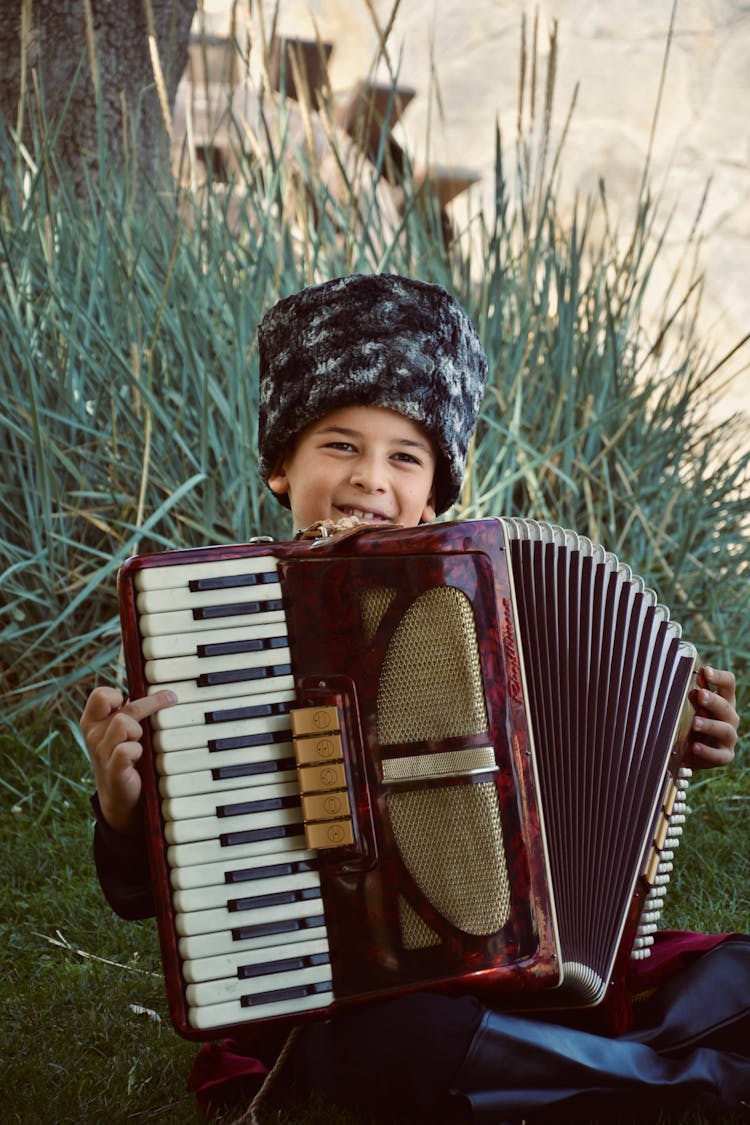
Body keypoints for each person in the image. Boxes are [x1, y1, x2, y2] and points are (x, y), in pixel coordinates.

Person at [80, 274, 745, 1122]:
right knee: (382, 1045)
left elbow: (568, 767)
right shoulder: (220, 625)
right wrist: (124, 807)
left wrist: (667, 740)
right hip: (338, 988)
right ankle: (688, 1085)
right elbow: (149, 892)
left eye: (404, 456)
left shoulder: (476, 599)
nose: (370, 478)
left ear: (434, 490)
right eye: (339, 444)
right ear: (281, 464)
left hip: (513, 962)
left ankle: (611, 1069)